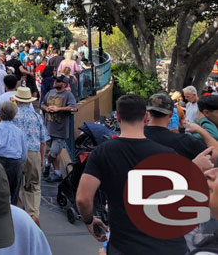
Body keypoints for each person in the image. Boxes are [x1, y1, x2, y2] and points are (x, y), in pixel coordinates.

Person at [76, 94, 188, 255]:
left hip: (127, 246)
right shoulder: (169, 154)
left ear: (118, 117)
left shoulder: (102, 152)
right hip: (171, 247)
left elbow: (83, 199)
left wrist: (89, 220)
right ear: (146, 117)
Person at [12, 86, 48, 226]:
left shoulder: (13, 115)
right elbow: (43, 141)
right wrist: (42, 158)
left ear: (18, 100)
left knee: (18, 186)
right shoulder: (36, 117)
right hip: (34, 153)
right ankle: (33, 214)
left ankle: (20, 216)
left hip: (17, 153)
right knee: (34, 185)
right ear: (29, 101)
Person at [144, 93, 210, 161]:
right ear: (171, 114)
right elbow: (214, 156)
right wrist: (201, 131)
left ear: (148, 112)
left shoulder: (137, 137)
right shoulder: (186, 142)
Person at [0, 102, 27, 207]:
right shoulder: (19, 132)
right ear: (14, 114)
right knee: (14, 196)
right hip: (15, 163)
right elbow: (24, 154)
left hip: (0, 162)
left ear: (0, 113)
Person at [40, 75, 78, 182]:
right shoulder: (50, 92)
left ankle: (47, 165)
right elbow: (42, 104)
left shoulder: (68, 95)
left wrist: (59, 109)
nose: (55, 82)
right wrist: (46, 108)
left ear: (64, 84)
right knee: (55, 153)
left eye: (58, 81)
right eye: (55, 80)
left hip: (60, 131)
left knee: (53, 153)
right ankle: (57, 173)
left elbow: (74, 108)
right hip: (48, 128)